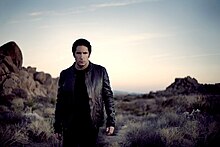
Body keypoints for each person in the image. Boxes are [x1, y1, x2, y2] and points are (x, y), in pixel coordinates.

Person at [54, 38, 116, 147]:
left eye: (85, 53)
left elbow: (108, 97)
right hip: (70, 125)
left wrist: (111, 121)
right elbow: (60, 102)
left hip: (91, 124)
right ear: (74, 54)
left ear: (89, 54)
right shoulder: (65, 74)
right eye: (78, 53)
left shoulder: (100, 72)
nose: (81, 56)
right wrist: (57, 126)